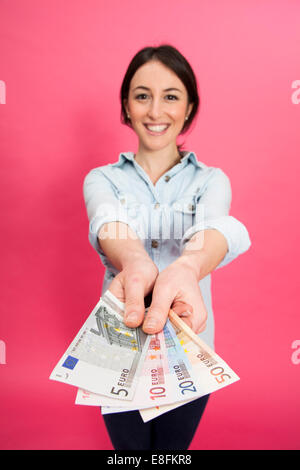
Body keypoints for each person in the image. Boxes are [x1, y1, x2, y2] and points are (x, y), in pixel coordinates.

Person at [83, 44, 251, 450]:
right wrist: (135, 260)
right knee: (131, 456)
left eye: (170, 96)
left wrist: (189, 266)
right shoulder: (102, 179)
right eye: (143, 96)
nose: (156, 111)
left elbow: (214, 228)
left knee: (173, 456)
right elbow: (111, 225)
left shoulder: (212, 181)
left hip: (190, 351)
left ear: (190, 107)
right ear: (126, 106)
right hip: (119, 348)